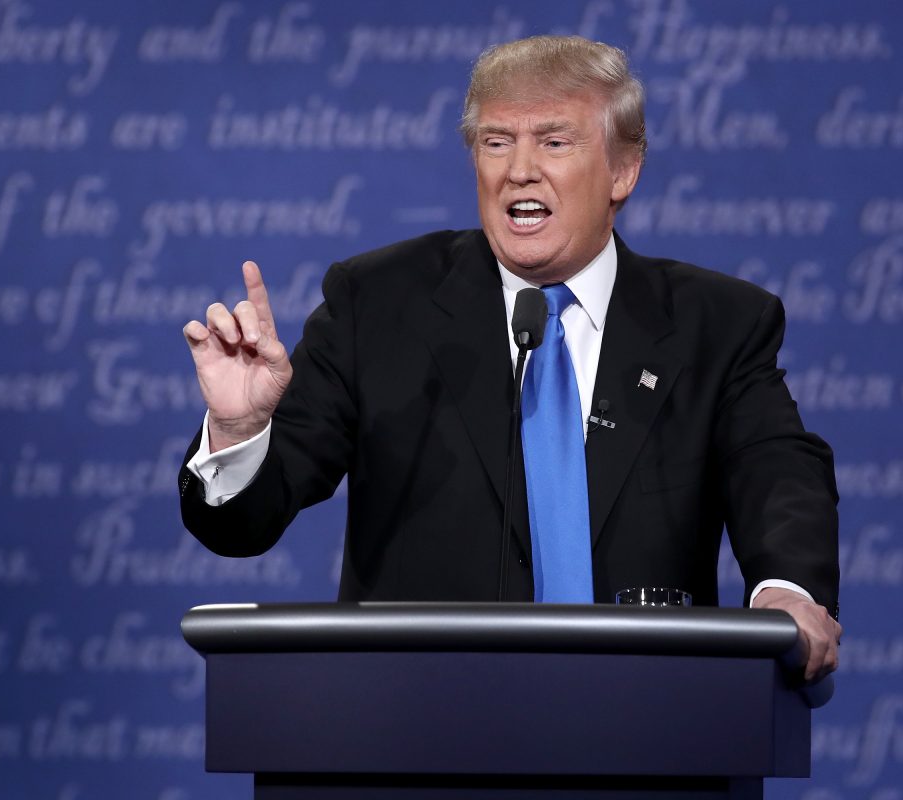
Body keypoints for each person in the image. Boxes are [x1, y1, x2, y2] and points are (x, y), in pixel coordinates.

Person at [179, 36, 842, 679]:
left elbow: (777, 471)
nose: (519, 170)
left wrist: (786, 593)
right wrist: (240, 433)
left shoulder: (718, 324)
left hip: (645, 729)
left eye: (554, 142)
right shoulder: (377, 305)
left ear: (623, 169)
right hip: (416, 735)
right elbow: (245, 524)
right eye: (497, 143)